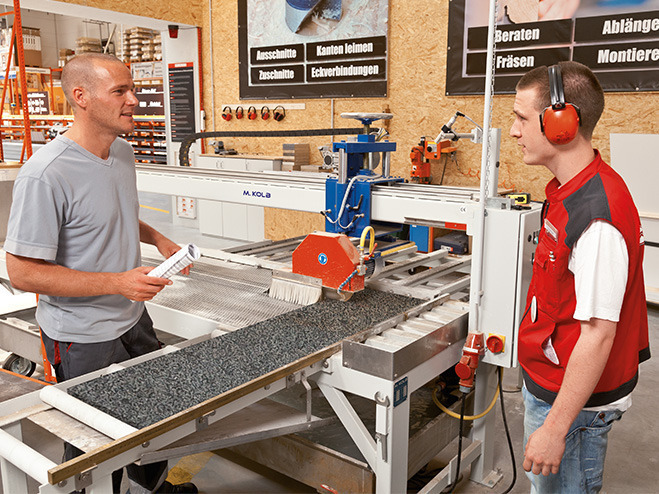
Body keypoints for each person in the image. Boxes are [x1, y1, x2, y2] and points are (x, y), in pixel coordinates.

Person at [4, 53, 197, 494]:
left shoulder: (121, 151)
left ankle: (150, 488)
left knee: (154, 415)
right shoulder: (45, 174)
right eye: (120, 92)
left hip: (132, 318)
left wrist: (158, 239)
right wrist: (117, 282)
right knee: (95, 442)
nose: (134, 100)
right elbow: (22, 273)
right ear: (81, 97)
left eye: (134, 90)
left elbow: (117, 213)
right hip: (83, 335)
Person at [510, 60, 650, 493]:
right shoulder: (570, 190)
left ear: (561, 124)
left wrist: (555, 429)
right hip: (552, 378)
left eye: (520, 118)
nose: (513, 131)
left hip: (575, 409)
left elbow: (598, 336)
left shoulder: (597, 218)